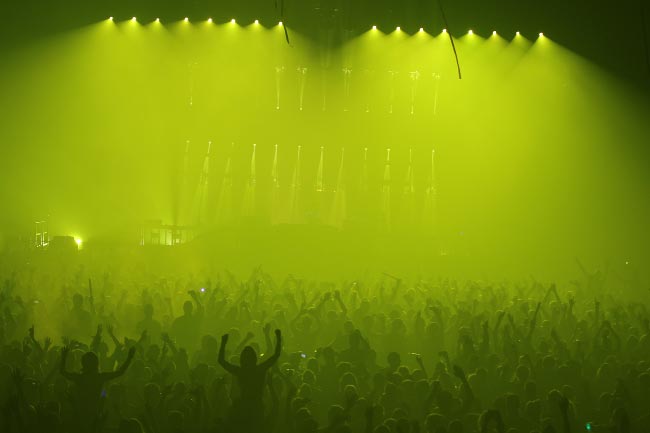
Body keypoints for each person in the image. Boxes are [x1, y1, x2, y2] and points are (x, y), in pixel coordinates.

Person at [218, 328, 282, 432]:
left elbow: (221, 361)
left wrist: (223, 343)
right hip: (257, 406)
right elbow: (276, 355)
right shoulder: (260, 369)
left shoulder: (240, 371)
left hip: (243, 406)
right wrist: (278, 338)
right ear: (255, 358)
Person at [60, 345, 136, 432]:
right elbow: (119, 372)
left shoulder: (80, 378)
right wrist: (129, 358)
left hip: (82, 414)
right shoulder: (99, 377)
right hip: (93, 415)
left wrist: (63, 357)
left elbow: (63, 372)